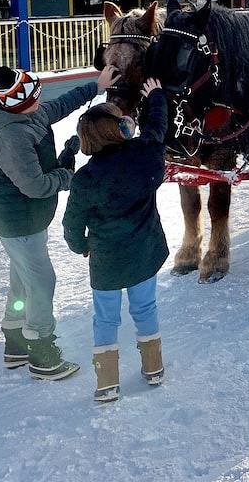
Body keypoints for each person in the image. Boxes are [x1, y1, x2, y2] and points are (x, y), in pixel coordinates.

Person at [0, 63, 118, 380]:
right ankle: (42, 352)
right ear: (22, 103)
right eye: (36, 98)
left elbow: (61, 104)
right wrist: (67, 176)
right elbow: (35, 186)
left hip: (29, 220)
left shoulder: (26, 113)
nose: (41, 102)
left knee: (22, 280)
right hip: (19, 223)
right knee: (42, 282)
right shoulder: (12, 135)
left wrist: (96, 86)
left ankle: (15, 343)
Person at [63, 78, 169, 403]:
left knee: (106, 319)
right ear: (119, 130)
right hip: (145, 253)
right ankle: (154, 368)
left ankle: (107, 383)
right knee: (145, 308)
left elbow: (72, 225)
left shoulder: (85, 179)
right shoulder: (145, 156)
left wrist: (82, 246)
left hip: (107, 261)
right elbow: (156, 129)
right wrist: (156, 97)